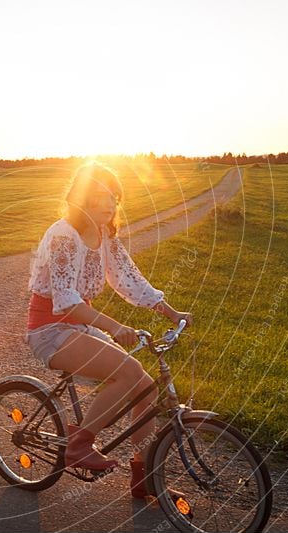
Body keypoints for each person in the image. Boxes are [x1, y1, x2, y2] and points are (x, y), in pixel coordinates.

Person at [24, 161, 192, 499]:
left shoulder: (105, 236)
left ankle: (145, 476)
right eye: (102, 194)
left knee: (145, 386)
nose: (111, 203)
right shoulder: (63, 235)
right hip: (49, 330)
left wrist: (170, 311)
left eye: (115, 196)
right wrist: (115, 327)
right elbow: (67, 301)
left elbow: (130, 280)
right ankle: (79, 444)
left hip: (79, 327)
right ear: (82, 197)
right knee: (127, 371)